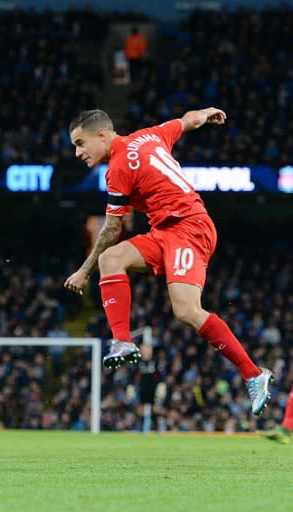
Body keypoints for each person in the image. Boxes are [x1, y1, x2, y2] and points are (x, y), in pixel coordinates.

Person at [63, 108, 274, 416]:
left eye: (80, 143)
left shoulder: (119, 167)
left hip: (189, 227)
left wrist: (84, 270)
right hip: (164, 231)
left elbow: (111, 227)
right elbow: (187, 121)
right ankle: (122, 342)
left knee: (186, 310)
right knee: (112, 259)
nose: (78, 152)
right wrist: (207, 113)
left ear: (101, 134)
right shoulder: (150, 134)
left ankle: (254, 374)